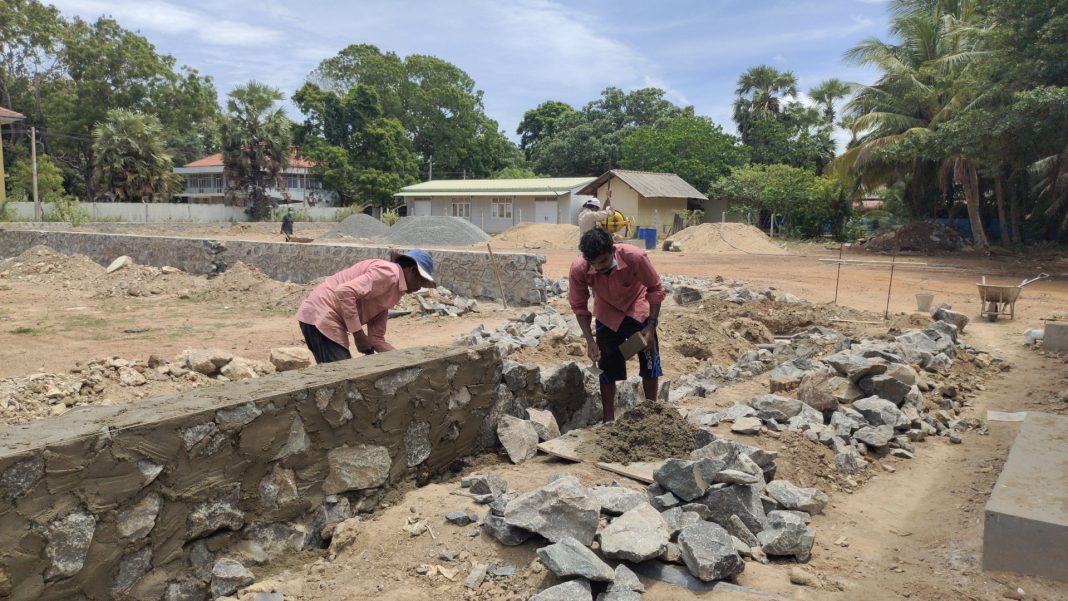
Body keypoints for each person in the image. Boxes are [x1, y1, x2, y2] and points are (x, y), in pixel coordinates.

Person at [568, 228, 665, 421]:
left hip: (637, 306)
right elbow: (579, 306)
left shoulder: (634, 257)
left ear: (612, 250)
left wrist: (651, 326)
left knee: (649, 356)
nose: (599, 267)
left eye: (603, 261)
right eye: (593, 263)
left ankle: (651, 414)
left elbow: (655, 288)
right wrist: (590, 341)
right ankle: (608, 419)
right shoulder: (579, 268)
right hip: (607, 312)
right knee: (606, 363)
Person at [295, 249, 436, 364]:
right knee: (342, 376)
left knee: (340, 376)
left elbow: (376, 339)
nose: (420, 287)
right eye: (421, 281)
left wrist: (404, 359)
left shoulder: (393, 292)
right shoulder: (389, 273)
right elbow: (344, 292)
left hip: (325, 316)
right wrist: (358, 335)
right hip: (322, 311)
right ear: (412, 270)